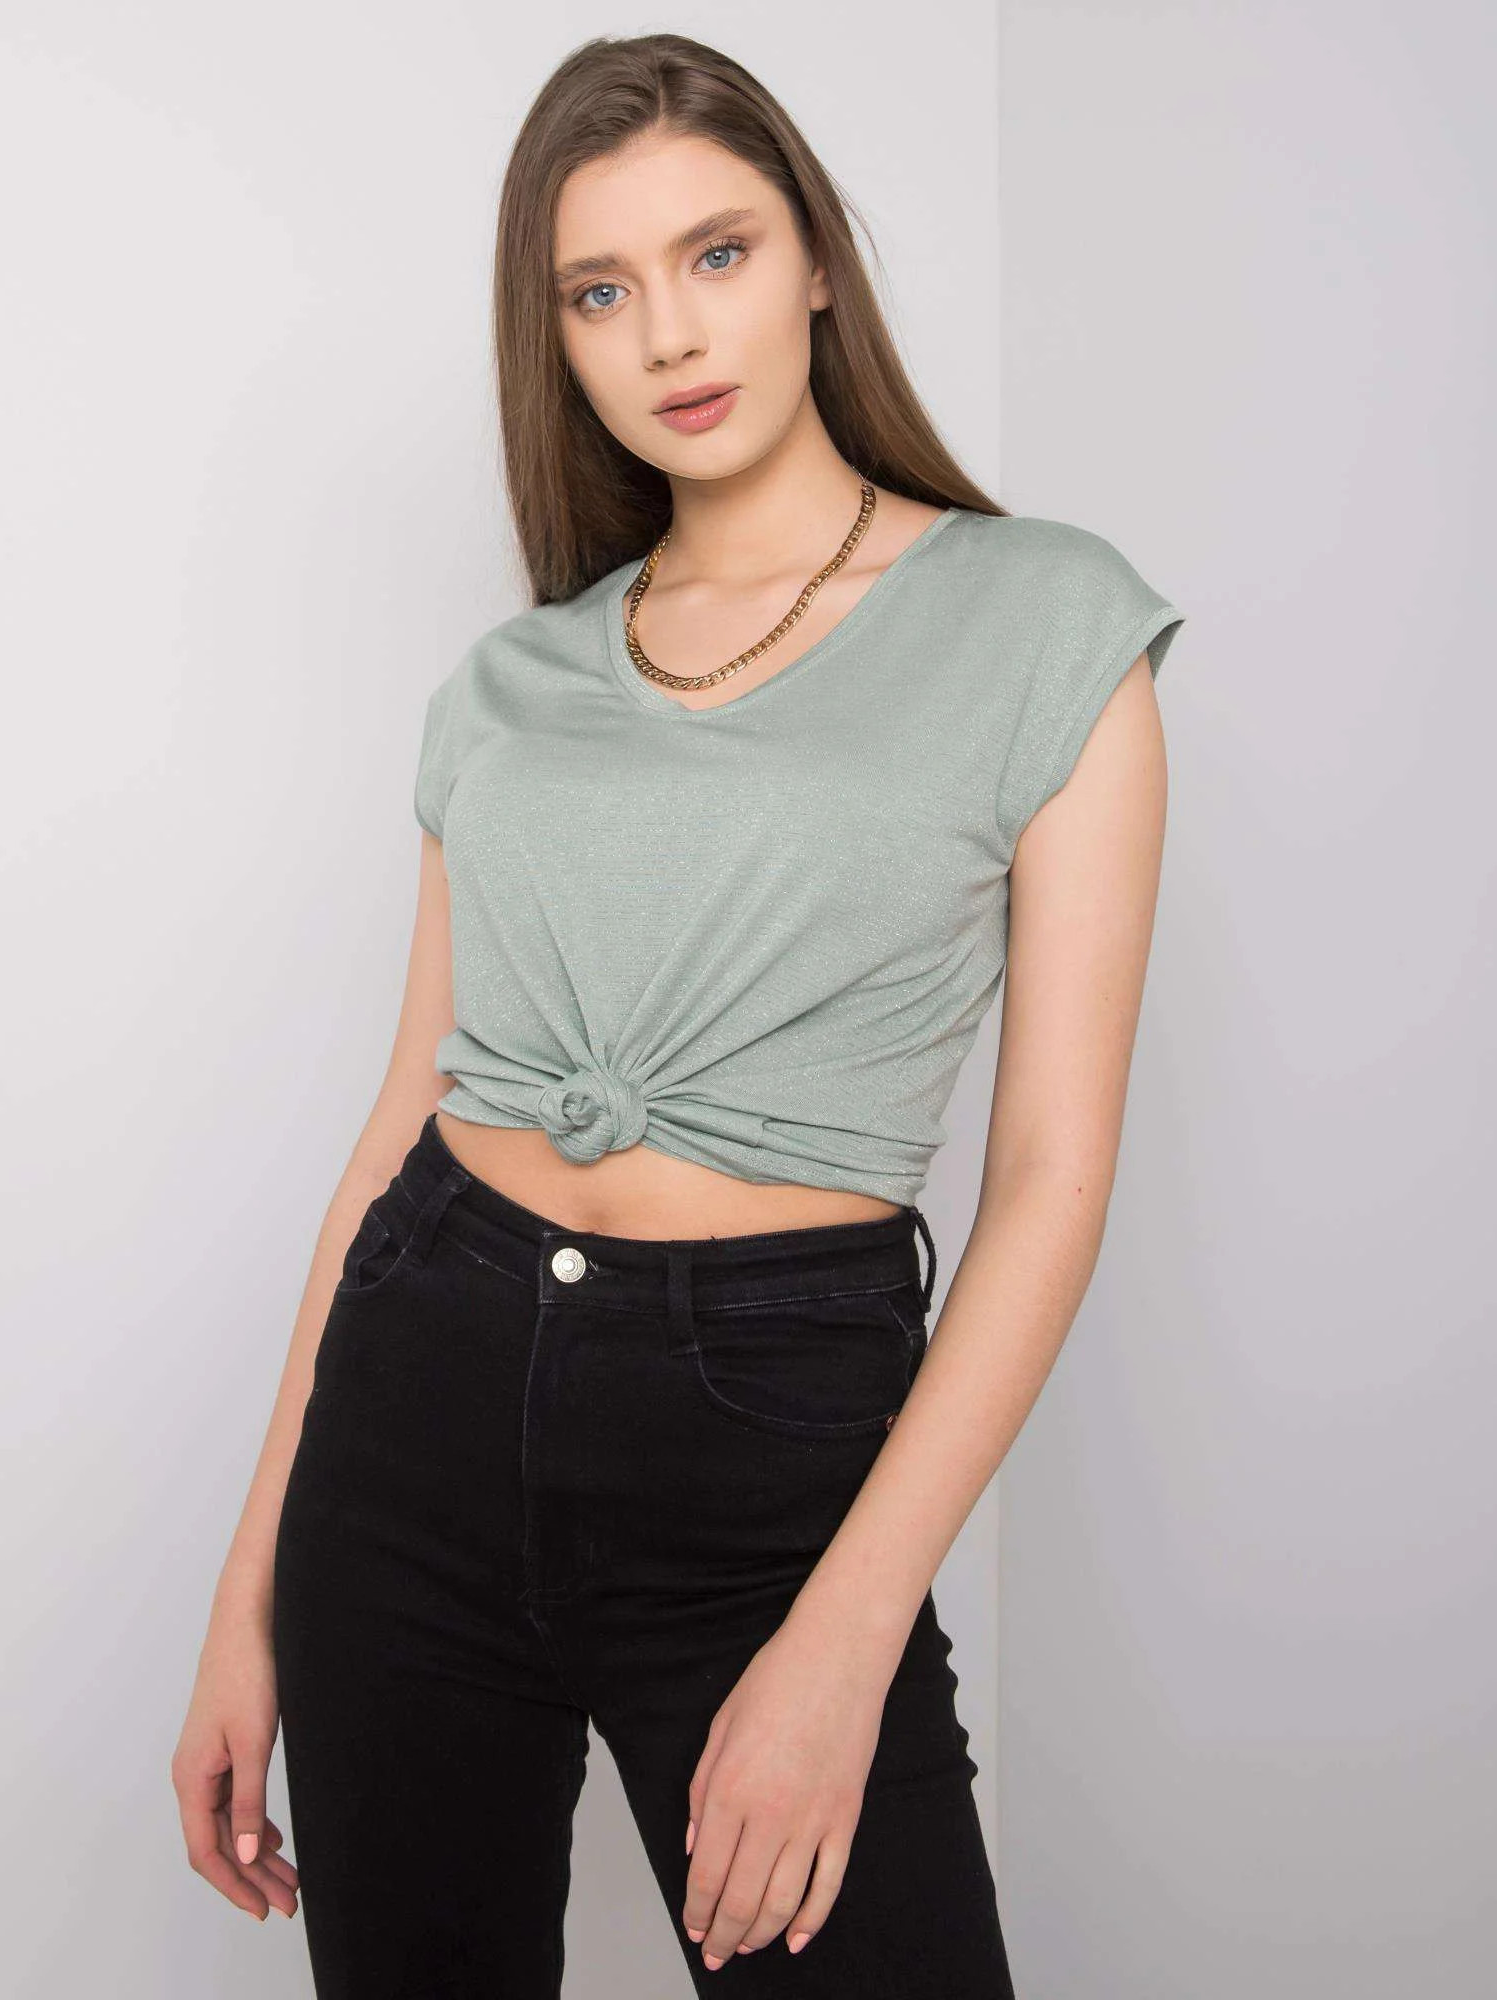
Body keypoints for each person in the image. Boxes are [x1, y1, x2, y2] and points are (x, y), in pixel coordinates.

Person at [172, 30, 1184, 1998]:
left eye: (718, 253)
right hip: (416, 1406)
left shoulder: (1049, 621)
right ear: (553, 337)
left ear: (817, 265)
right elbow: (397, 1129)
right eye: (600, 290)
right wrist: (249, 1598)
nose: (670, 334)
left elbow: (1052, 1177)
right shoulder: (508, 684)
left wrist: (848, 1638)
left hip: (772, 1441)